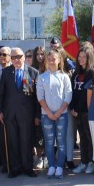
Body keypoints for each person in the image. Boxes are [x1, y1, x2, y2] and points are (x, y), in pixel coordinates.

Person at [0, 47, 41, 178]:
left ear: (24, 56)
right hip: (10, 114)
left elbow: (37, 98)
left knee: (26, 141)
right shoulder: (6, 72)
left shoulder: (33, 72)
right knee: (13, 141)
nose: (16, 60)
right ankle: (15, 168)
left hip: (27, 115)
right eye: (13, 57)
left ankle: (28, 167)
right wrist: (0, 111)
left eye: (19, 56)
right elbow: (1, 94)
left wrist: (37, 115)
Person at [37, 49, 72, 179]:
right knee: (49, 141)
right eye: (49, 59)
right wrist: (49, 112)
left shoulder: (64, 77)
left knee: (61, 141)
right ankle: (51, 165)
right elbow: (40, 97)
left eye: (54, 59)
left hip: (61, 114)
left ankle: (60, 167)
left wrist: (58, 112)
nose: (51, 61)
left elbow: (68, 96)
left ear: (59, 60)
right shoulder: (42, 77)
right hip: (46, 115)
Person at [70, 47, 94, 174]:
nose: (81, 59)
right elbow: (73, 93)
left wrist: (79, 109)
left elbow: (87, 94)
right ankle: (83, 161)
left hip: (87, 111)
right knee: (82, 138)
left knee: (90, 137)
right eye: (79, 57)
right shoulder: (76, 73)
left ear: (89, 57)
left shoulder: (91, 73)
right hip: (77, 112)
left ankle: (91, 162)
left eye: (84, 57)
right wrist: (72, 108)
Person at [32, 45, 48, 168]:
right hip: (35, 106)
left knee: (48, 134)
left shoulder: (49, 69)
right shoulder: (31, 70)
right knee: (38, 134)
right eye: (38, 54)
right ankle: (39, 157)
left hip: (49, 106)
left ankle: (47, 157)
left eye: (42, 54)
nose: (40, 56)